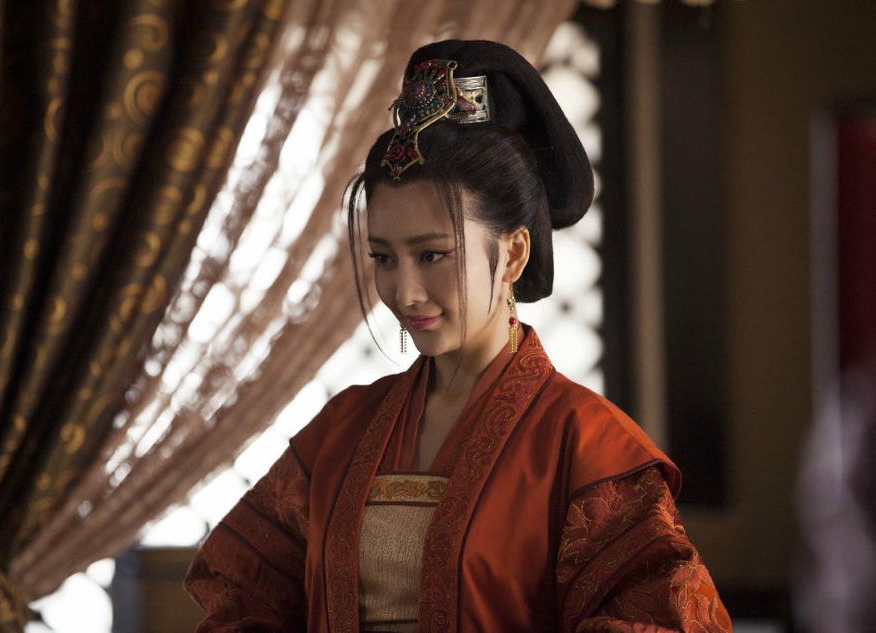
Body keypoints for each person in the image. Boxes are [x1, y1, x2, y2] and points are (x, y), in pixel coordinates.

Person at [184, 39, 731, 632]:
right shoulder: (340, 431)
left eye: (432, 255)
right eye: (383, 258)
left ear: (513, 253)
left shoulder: (588, 446)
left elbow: (665, 619)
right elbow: (246, 593)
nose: (405, 292)